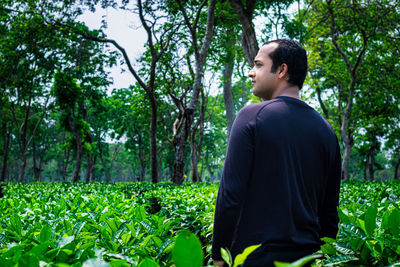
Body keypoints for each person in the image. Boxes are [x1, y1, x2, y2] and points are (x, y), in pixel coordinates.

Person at [211, 39, 341, 267]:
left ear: (282, 70)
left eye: (258, 65)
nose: (251, 73)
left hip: (253, 259)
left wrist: (218, 255)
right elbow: (329, 213)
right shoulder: (327, 131)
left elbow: (230, 196)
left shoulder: (251, 117)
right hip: (305, 260)